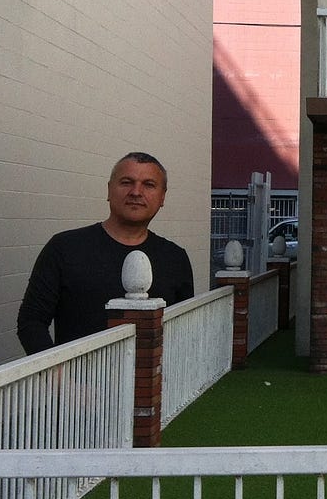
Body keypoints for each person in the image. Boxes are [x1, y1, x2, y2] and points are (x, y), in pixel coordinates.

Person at [17, 152, 194, 355]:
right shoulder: (65, 248)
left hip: (154, 384)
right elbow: (31, 322)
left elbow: (183, 330)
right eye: (127, 182)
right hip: (78, 383)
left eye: (149, 184)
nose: (136, 192)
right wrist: (60, 378)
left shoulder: (175, 258)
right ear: (109, 190)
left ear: (162, 197)